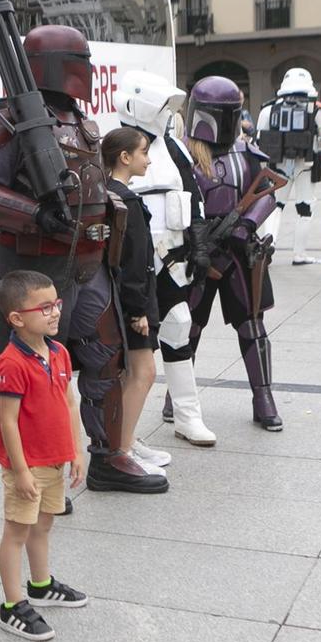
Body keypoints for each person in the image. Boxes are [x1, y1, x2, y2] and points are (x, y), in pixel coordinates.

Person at [0, 27, 166, 494]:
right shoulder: (6, 121)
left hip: (90, 264)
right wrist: (36, 214)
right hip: (37, 268)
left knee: (105, 359)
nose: (86, 69)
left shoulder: (80, 120)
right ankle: (39, 471)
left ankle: (109, 456)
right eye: (79, 59)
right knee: (32, 373)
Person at [178, 77, 286, 431]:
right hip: (199, 250)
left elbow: (268, 192)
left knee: (252, 326)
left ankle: (263, 396)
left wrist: (248, 224)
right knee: (187, 326)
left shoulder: (247, 154)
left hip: (241, 252)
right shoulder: (183, 154)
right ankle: (179, 396)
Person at [116, 72, 217, 449]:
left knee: (178, 326)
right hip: (132, 264)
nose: (168, 114)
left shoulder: (173, 149)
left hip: (173, 259)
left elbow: (194, 198)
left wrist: (199, 243)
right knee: (132, 347)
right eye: (163, 106)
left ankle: (188, 415)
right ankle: (125, 433)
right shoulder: (116, 146)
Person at [0, 271, 90, 642]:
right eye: (44, 307)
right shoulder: (11, 364)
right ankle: (12, 604)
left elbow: (69, 402)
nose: (54, 313)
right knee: (17, 531)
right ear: (17, 318)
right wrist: (20, 471)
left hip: (55, 460)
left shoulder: (59, 352)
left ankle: (40, 584)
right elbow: (8, 422)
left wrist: (76, 451)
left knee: (44, 523)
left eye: (56, 304)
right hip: (28, 466)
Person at [103, 127, 160, 470]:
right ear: (125, 157)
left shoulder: (104, 193)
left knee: (130, 374)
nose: (148, 159)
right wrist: (139, 309)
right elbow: (136, 259)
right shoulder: (128, 201)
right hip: (133, 303)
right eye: (143, 152)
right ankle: (121, 450)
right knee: (144, 371)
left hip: (113, 299)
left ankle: (124, 441)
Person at [255, 68, 321, 266]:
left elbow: (258, 141)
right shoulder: (316, 109)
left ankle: (267, 245)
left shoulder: (268, 109)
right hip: (306, 165)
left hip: (277, 165)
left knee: (275, 206)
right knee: (305, 208)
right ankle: (300, 254)